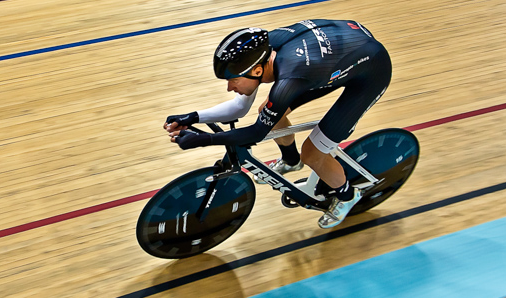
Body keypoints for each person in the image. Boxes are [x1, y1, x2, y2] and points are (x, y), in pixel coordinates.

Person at [164, 20, 391, 229]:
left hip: (370, 72)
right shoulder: (260, 53)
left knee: (312, 153)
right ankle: (290, 162)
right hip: (336, 60)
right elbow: (240, 108)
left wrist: (205, 139)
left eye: (233, 80)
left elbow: (256, 132)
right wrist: (193, 117)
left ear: (258, 71)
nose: (229, 87)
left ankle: (347, 195)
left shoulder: (290, 77)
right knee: (268, 110)